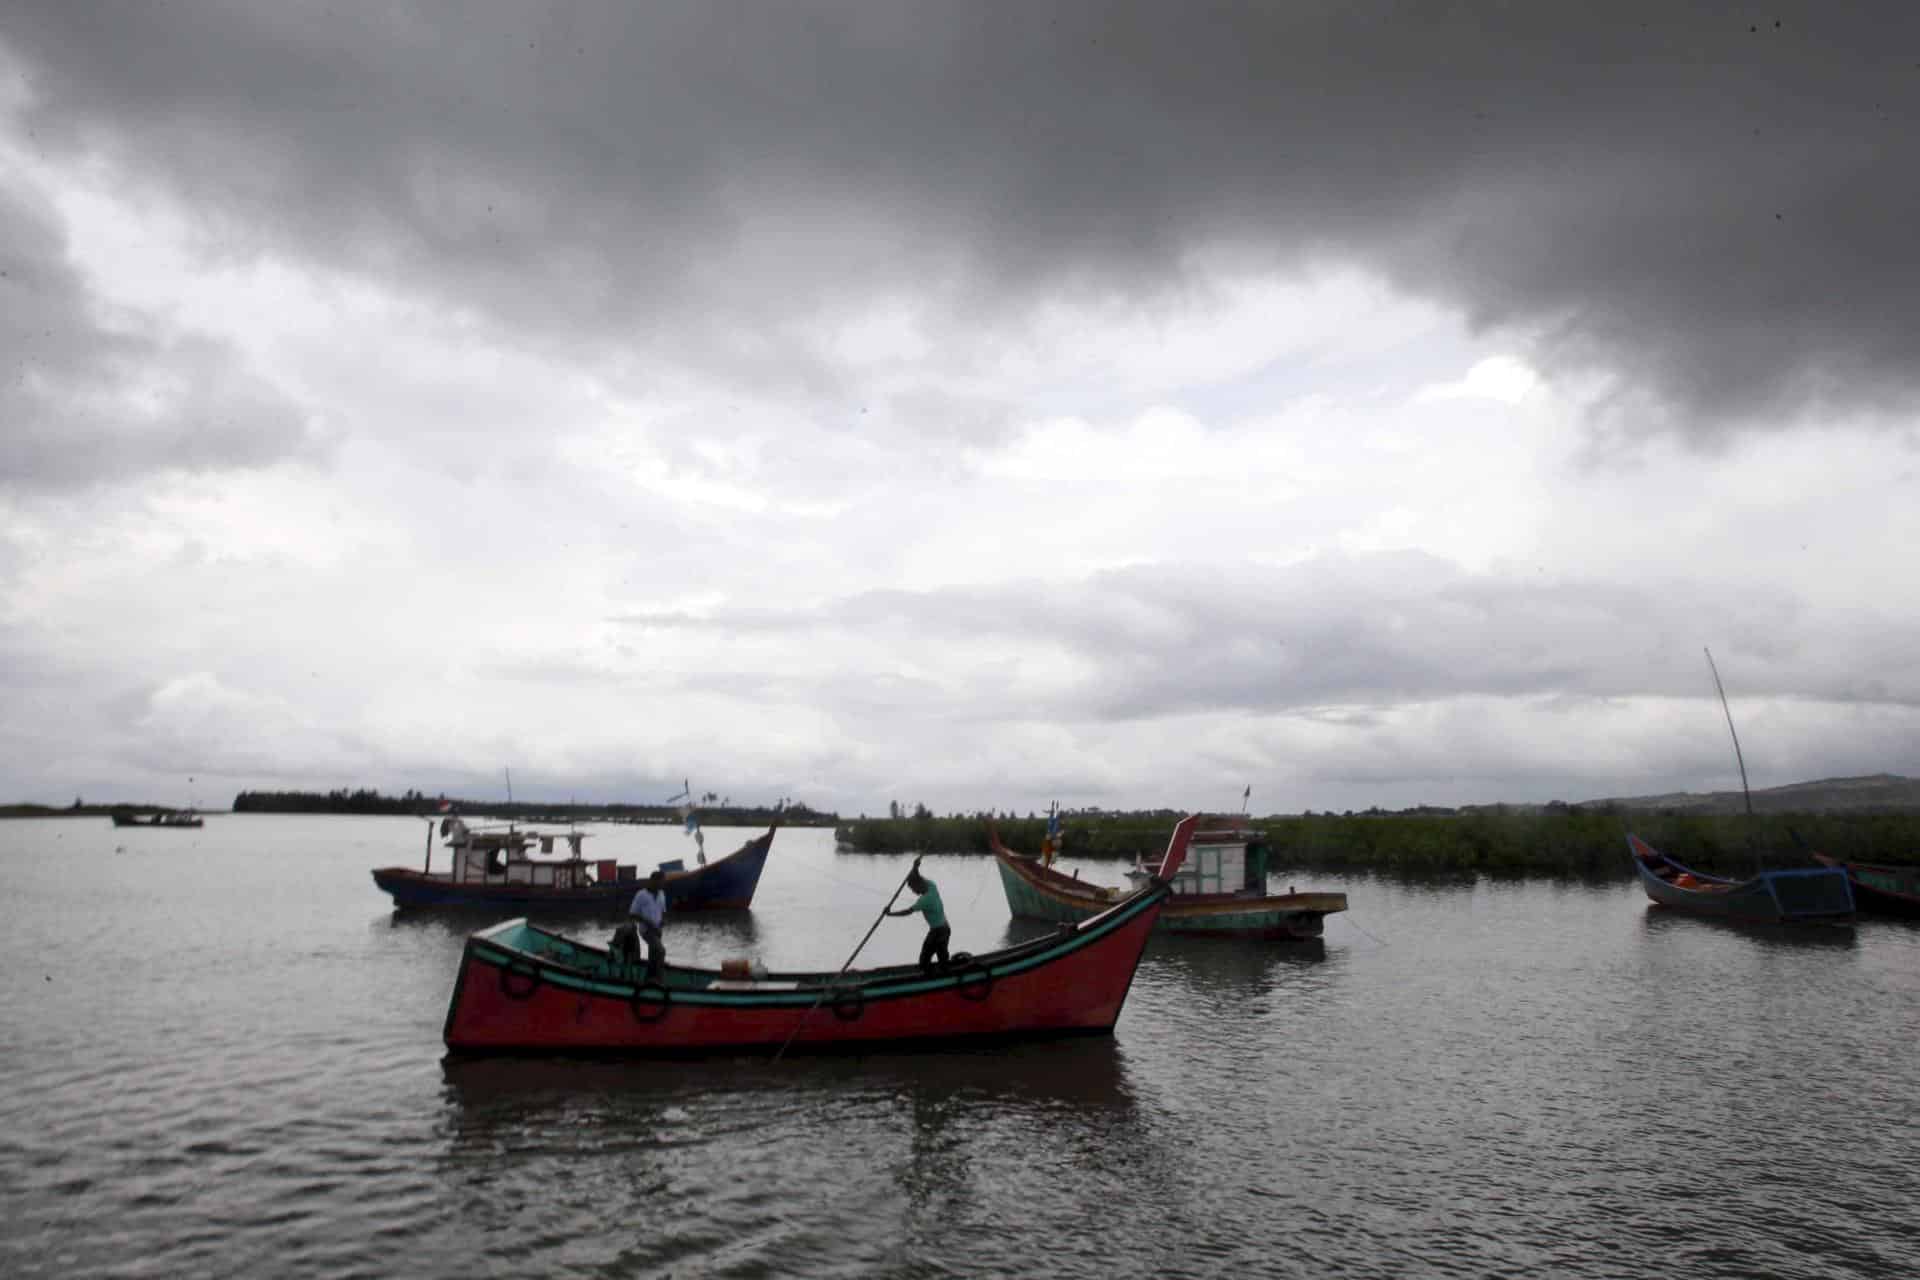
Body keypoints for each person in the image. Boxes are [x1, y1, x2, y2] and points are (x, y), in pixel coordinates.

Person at [886, 860, 950, 975]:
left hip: (939, 931)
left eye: (913, 889)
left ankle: (938, 977)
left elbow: (908, 912)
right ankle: (943, 971)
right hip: (943, 928)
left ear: (919, 885)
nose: (913, 891)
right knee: (939, 956)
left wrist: (890, 914)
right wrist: (915, 867)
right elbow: (917, 876)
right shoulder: (931, 885)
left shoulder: (925, 900)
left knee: (926, 959)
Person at [629, 868, 668, 983]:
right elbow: (632, 914)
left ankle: (648, 979)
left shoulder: (662, 894)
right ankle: (659, 980)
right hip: (646, 930)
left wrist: (662, 921)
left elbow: (663, 910)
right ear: (653, 881)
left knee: (654, 955)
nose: (663, 884)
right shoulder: (641, 895)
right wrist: (646, 922)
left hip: (658, 930)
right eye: (661, 881)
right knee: (661, 951)